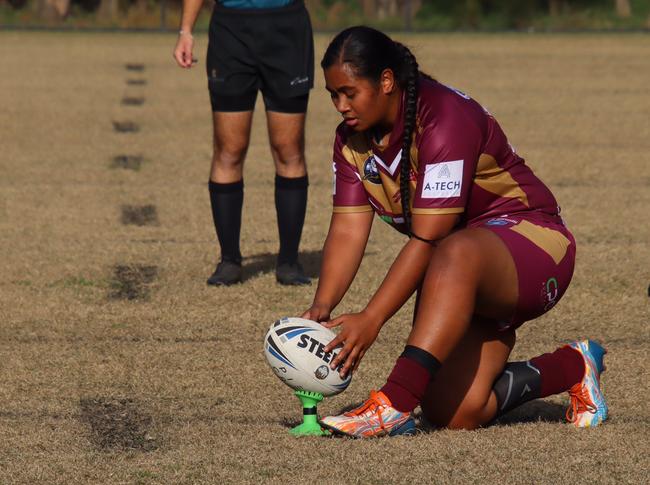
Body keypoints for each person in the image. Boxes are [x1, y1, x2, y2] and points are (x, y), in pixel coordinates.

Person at [301, 26, 607, 437]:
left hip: (535, 244)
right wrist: (321, 308)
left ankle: (392, 404)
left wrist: (372, 318)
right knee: (454, 412)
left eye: (349, 93)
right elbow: (348, 229)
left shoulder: (444, 117)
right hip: (462, 269)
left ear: (386, 81)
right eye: (332, 95)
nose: (340, 105)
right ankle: (573, 366)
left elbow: (429, 238)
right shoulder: (351, 142)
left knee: (452, 247)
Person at [173, 0, 314, 286]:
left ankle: (289, 261)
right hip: (230, 31)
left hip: (287, 29)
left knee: (288, 149)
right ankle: (229, 261)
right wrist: (186, 30)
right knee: (229, 150)